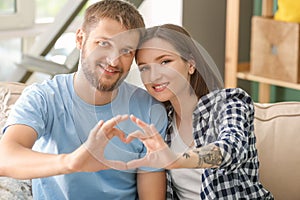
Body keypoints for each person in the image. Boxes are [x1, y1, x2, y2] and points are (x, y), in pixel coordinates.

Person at [0, 1, 168, 199]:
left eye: (126, 51)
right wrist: (72, 162)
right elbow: (5, 158)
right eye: (104, 43)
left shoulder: (148, 109)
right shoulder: (43, 98)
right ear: (80, 38)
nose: (113, 61)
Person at [126, 24, 274, 199]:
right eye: (144, 68)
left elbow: (232, 148)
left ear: (190, 64)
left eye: (165, 61)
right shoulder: (160, 124)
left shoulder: (228, 102)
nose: (154, 76)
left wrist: (176, 160)